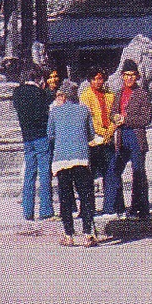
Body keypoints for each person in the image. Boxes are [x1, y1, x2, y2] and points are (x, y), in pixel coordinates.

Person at [47, 79, 98, 246]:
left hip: (61, 160)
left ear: (63, 95)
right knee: (86, 195)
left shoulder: (55, 112)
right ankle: (88, 233)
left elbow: (50, 134)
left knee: (66, 197)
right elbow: (91, 134)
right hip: (81, 158)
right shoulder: (84, 110)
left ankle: (68, 235)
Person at [106, 59, 152, 220]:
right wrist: (115, 117)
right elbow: (112, 113)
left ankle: (140, 209)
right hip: (121, 137)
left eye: (132, 75)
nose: (129, 78)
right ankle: (118, 207)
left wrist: (126, 119)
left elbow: (146, 118)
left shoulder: (142, 94)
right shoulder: (119, 93)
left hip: (136, 136)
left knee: (138, 173)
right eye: (126, 75)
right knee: (114, 170)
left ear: (137, 77)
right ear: (122, 76)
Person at [11, 67, 54, 222]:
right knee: (44, 174)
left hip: (27, 136)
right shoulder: (39, 93)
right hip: (41, 135)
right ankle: (46, 210)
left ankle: (27, 210)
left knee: (29, 174)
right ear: (39, 79)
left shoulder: (17, 93)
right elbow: (45, 112)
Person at [80, 68, 116, 206]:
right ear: (90, 80)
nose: (97, 82)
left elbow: (114, 115)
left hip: (108, 138)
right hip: (94, 139)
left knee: (110, 172)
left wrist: (110, 130)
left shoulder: (110, 95)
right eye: (94, 79)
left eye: (100, 78)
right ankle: (90, 207)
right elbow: (88, 118)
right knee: (91, 175)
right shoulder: (85, 96)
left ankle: (110, 206)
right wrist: (102, 131)